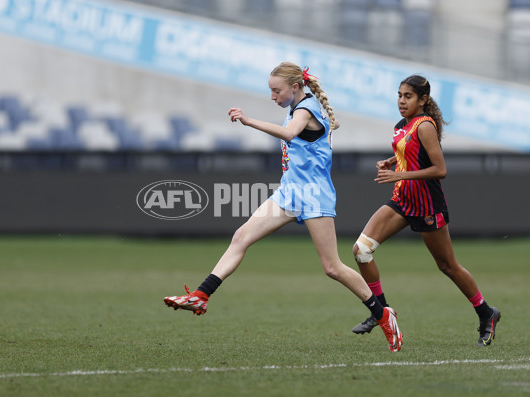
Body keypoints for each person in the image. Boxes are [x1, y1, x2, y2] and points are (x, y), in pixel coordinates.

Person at [164, 62, 403, 352]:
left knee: (332, 267)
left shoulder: (305, 110)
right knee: (241, 236)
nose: (273, 96)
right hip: (290, 193)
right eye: (271, 91)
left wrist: (249, 121)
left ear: (295, 87)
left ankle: (382, 314)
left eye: (276, 91)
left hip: (314, 195)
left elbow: (290, 134)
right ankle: (202, 294)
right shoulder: (298, 107)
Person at [350, 74, 501, 346]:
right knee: (361, 250)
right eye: (399, 95)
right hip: (402, 201)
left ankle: (486, 312)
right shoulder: (401, 125)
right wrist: (391, 163)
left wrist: (399, 176)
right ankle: (382, 312)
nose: (401, 101)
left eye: (408, 96)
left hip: (427, 205)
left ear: (423, 100)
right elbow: (408, 157)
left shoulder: (425, 126)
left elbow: (439, 170)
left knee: (447, 266)